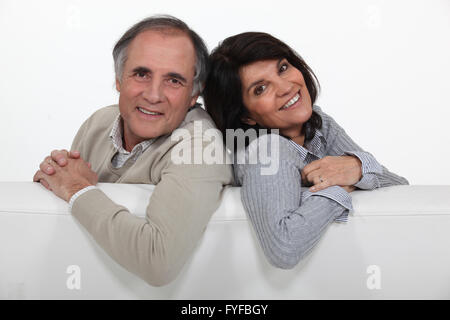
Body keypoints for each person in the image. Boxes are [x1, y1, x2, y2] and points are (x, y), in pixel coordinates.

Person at [33, 15, 233, 286]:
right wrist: (54, 176)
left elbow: (158, 262)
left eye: (174, 80)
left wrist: (77, 189)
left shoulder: (200, 146)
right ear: (119, 79)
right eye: (141, 74)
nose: (153, 95)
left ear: (194, 94)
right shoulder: (98, 123)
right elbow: (74, 225)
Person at [203, 32, 408, 269]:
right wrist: (341, 186)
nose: (286, 87)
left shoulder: (319, 124)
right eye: (260, 89)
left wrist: (357, 167)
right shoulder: (266, 151)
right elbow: (284, 248)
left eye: (282, 68)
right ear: (246, 116)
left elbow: (398, 187)